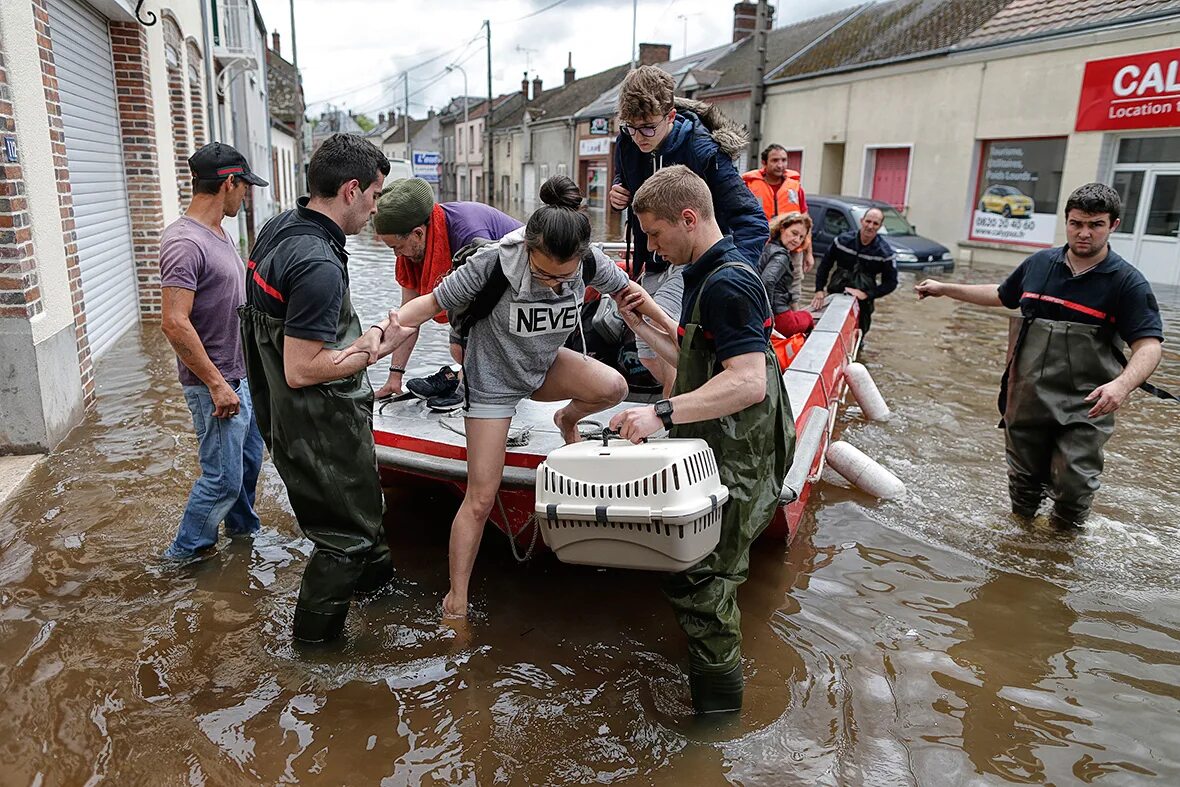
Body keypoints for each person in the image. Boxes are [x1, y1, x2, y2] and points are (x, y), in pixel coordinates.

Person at [337, 176, 676, 620]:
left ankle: (565, 423)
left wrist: (675, 332)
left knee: (613, 386)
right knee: (480, 497)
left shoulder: (587, 260)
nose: (554, 285)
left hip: (544, 366)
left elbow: (632, 293)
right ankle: (455, 600)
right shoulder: (495, 262)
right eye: (542, 274)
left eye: (564, 278)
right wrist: (381, 336)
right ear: (528, 250)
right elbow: (425, 305)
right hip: (493, 382)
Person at [609, 166, 794, 714]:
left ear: (688, 219)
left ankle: (718, 721)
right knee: (702, 577)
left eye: (658, 235)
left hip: (739, 454)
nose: (654, 247)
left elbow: (746, 381)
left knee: (704, 584)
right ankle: (715, 690)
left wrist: (660, 413)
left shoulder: (730, 282)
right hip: (719, 446)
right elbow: (703, 366)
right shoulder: (705, 272)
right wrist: (647, 327)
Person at [916, 183, 1165, 528]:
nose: (1084, 233)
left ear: (1114, 226)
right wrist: (945, 289)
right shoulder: (1039, 264)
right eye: (1077, 223)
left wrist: (1121, 386)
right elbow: (1004, 295)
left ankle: (1061, 553)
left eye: (1095, 225)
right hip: (1028, 396)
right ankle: (1020, 546)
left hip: (1086, 404)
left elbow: (1149, 345)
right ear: (1066, 221)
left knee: (1074, 486)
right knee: (1022, 488)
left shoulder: (1127, 283)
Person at [238, 133, 393, 643]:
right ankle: (314, 653)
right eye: (373, 196)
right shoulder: (319, 264)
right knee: (343, 539)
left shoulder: (280, 226)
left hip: (285, 417)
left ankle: (378, 591)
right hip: (316, 418)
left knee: (362, 510)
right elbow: (301, 369)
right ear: (351, 190)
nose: (374, 210)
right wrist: (369, 346)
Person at [609, 65, 768, 391]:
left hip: (698, 261)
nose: (640, 137)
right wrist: (617, 191)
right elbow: (628, 185)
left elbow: (753, 220)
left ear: (670, 116)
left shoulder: (704, 151)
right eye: (632, 128)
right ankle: (681, 406)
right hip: (654, 257)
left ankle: (672, 421)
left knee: (665, 337)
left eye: (648, 128)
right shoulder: (627, 143)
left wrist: (732, 274)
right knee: (647, 351)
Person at [159, 142, 268, 561]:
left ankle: (244, 539)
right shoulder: (185, 242)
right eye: (245, 187)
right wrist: (219, 385)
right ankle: (184, 558)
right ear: (229, 183)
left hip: (239, 377)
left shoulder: (219, 232)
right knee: (222, 480)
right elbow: (174, 321)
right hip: (217, 387)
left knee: (245, 471)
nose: (247, 195)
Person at [372, 179, 523, 408]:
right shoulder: (414, 250)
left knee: (459, 348)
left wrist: (468, 388)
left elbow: (489, 306)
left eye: (396, 247)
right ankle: (462, 374)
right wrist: (395, 376)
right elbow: (408, 317)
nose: (397, 256)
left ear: (418, 233)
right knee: (458, 349)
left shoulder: (470, 235)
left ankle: (465, 380)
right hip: (487, 289)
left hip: (518, 287)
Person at [810, 206, 897, 335]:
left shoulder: (885, 253)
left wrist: (867, 294)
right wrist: (819, 290)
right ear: (862, 221)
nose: (870, 226)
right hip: (837, 290)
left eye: (875, 223)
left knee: (860, 333)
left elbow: (891, 283)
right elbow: (825, 265)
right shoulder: (842, 241)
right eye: (868, 221)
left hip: (864, 300)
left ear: (880, 226)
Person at [742, 144, 814, 273]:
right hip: (760, 247)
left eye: (784, 160)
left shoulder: (795, 187)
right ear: (764, 162)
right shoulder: (749, 186)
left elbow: (806, 221)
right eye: (775, 160)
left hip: (792, 248)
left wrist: (809, 253)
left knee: (793, 284)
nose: (780, 165)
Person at [758, 211, 816, 338]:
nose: (797, 240)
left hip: (767, 313)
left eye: (801, 237)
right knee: (808, 317)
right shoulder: (781, 256)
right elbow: (767, 281)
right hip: (780, 318)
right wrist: (767, 316)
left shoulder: (765, 247)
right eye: (794, 233)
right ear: (782, 228)